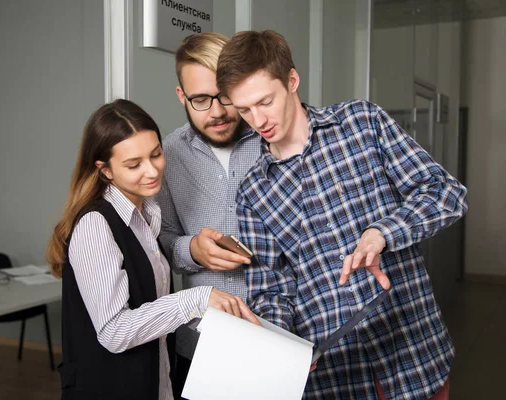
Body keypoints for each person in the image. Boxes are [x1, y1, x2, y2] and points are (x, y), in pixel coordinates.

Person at [216, 30, 468, 399]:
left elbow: (445, 193)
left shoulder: (361, 123)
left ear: (292, 80)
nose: (258, 120)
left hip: (413, 356)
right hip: (336, 377)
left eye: (265, 101)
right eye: (244, 110)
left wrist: (382, 232)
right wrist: (283, 344)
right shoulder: (253, 191)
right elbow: (271, 288)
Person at [46, 99, 258, 399]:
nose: (152, 170)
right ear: (104, 170)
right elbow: (114, 331)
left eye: (156, 154)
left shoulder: (148, 216)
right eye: (134, 164)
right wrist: (197, 298)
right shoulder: (96, 224)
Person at [155, 32, 262, 397]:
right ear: (181, 96)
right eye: (200, 99)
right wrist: (192, 250)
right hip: (203, 342)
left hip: (283, 337)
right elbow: (161, 240)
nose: (216, 112)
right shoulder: (166, 156)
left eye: (225, 95)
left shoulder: (274, 139)